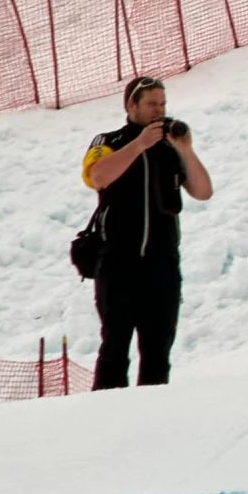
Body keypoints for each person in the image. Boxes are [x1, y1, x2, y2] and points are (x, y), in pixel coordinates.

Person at [81, 75, 213, 389]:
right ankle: (103, 417)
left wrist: (186, 150)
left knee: (157, 350)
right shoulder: (108, 141)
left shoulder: (170, 149)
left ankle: (152, 423)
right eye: (152, 103)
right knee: (115, 348)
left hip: (162, 265)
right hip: (118, 263)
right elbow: (97, 176)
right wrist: (139, 144)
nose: (159, 110)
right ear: (131, 105)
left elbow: (203, 191)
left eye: (163, 104)